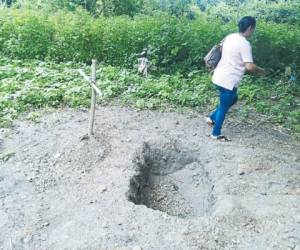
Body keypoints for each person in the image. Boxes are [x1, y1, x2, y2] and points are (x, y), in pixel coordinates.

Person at [207, 16, 265, 141]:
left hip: (217, 76)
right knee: (224, 106)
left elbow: (220, 49)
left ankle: (211, 117)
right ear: (250, 28)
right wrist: (261, 71)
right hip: (228, 81)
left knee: (233, 99)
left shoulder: (230, 36)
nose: (253, 31)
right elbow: (249, 66)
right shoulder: (244, 44)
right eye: (253, 29)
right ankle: (215, 133)